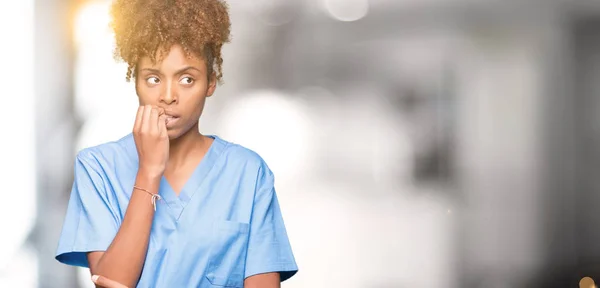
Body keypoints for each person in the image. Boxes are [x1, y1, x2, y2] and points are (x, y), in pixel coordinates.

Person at [54, 0, 298, 287]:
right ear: (135, 81)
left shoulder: (248, 173)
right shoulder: (97, 167)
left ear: (210, 82)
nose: (168, 96)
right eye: (154, 78)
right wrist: (149, 170)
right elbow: (110, 282)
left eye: (186, 79)